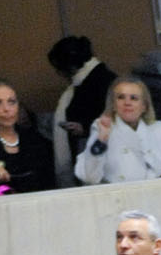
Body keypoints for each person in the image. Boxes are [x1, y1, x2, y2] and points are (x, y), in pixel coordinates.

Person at [74, 76, 161, 184]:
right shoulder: (101, 127)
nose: (127, 102)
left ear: (144, 106)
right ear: (113, 105)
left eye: (134, 98)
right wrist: (102, 139)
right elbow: (89, 177)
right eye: (121, 97)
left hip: (155, 199)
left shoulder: (157, 129)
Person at [46, 35, 116, 175]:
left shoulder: (97, 83)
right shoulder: (97, 78)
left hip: (100, 162)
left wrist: (83, 128)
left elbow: (111, 122)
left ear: (69, 67)